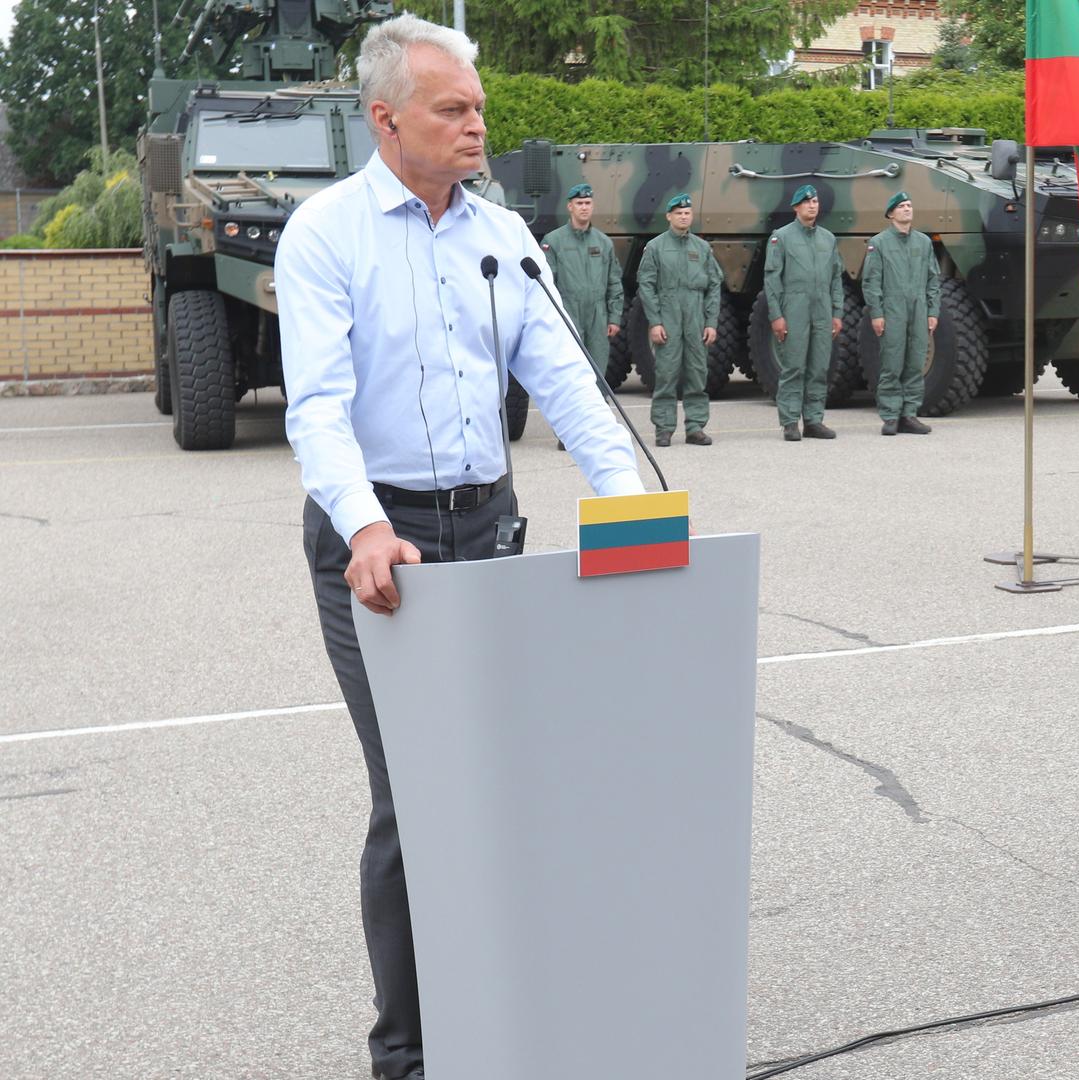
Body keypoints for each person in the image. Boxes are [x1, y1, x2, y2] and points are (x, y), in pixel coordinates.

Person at [273, 16, 649, 1080]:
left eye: (479, 106)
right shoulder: (326, 235)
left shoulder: (502, 236)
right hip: (379, 553)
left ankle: (510, 1007)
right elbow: (318, 409)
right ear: (386, 119)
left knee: (506, 781)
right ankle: (411, 1052)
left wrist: (627, 506)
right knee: (416, 795)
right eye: (453, 108)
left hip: (486, 532)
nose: (477, 122)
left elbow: (570, 384)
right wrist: (365, 528)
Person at [635, 192, 723, 446]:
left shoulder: (702, 248)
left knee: (697, 373)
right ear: (669, 217)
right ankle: (664, 428)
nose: (684, 217)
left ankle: (695, 427)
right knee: (666, 373)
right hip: (668, 316)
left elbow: (714, 286)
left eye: (687, 213)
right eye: (679, 213)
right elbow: (647, 286)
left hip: (695, 316)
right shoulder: (655, 247)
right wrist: (655, 321)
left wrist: (711, 322)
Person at [542, 183, 624, 451]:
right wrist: (554, 319)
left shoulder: (603, 242)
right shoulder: (553, 242)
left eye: (588, 203)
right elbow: (546, 284)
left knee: (598, 374)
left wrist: (614, 316)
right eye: (579, 203)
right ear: (570, 207)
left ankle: (594, 430)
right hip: (569, 314)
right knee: (569, 375)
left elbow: (614, 282)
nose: (584, 207)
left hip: (598, 315)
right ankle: (566, 432)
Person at [764, 184, 843, 441]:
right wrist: (776, 315)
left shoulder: (828, 239)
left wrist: (837, 313)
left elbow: (835, 280)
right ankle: (789, 421)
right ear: (796, 207)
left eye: (815, 201)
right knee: (794, 367)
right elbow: (772, 279)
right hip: (794, 310)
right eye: (807, 202)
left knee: (819, 367)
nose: (813, 205)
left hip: (822, 310)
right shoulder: (782, 237)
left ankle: (813, 420)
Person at [860, 191, 939, 436]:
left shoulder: (923, 242)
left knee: (915, 363)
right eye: (902, 206)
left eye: (909, 205)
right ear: (891, 213)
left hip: (918, 309)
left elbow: (933, 279)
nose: (907, 209)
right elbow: (871, 282)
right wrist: (876, 313)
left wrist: (932, 311)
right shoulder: (879, 243)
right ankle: (890, 415)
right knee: (892, 364)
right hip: (892, 310)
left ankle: (909, 414)